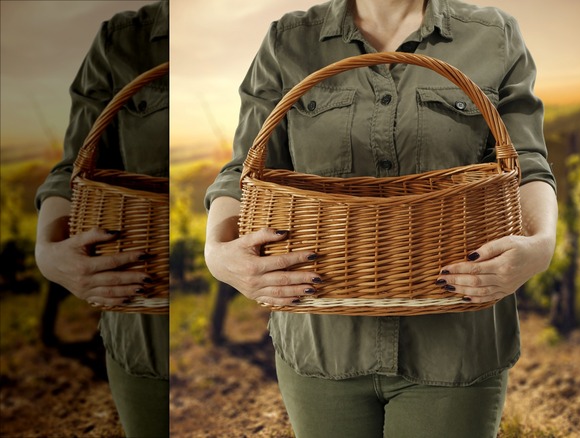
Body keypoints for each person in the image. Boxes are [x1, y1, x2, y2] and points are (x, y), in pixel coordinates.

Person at [204, 0, 557, 436]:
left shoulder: (492, 35)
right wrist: (216, 253)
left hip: (457, 342)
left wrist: (540, 246)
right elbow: (244, 171)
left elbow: (527, 166)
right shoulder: (288, 41)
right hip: (321, 340)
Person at [34, 2, 169, 437]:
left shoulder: (281, 34)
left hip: (267, 325)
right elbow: (75, 168)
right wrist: (47, 253)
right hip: (145, 325)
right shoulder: (121, 41)